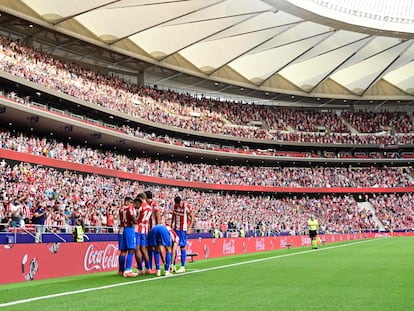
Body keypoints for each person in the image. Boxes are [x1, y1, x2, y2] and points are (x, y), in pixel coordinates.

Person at [171, 196, 194, 274]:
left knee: (182, 247)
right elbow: (173, 216)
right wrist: (171, 225)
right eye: (177, 204)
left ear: (181, 201)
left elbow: (192, 217)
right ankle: (173, 265)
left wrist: (189, 228)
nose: (178, 206)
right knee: (174, 246)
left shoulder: (186, 206)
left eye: (179, 204)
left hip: (183, 230)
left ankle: (182, 266)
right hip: (175, 229)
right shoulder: (175, 206)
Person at [133, 192, 155, 275]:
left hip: (137, 229)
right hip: (144, 230)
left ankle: (140, 269)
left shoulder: (139, 207)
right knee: (144, 250)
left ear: (141, 199)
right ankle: (148, 268)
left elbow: (136, 218)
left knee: (137, 249)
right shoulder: (149, 208)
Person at [118, 196, 137, 277]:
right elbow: (133, 218)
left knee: (123, 251)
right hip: (129, 229)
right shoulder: (130, 208)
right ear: (128, 201)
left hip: (121, 229)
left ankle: (121, 270)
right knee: (131, 249)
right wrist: (136, 221)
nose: (131, 203)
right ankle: (128, 270)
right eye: (131, 202)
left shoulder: (121, 209)